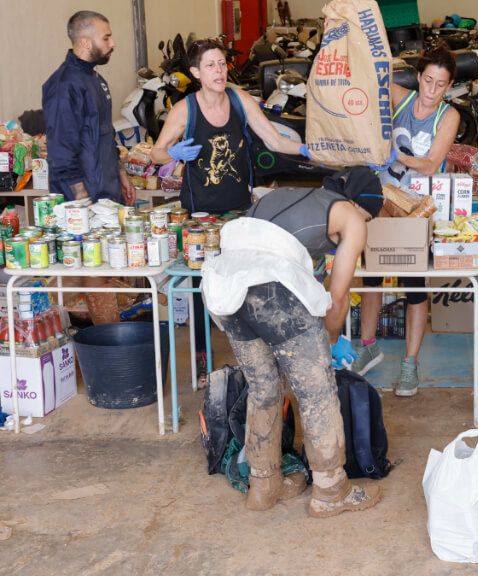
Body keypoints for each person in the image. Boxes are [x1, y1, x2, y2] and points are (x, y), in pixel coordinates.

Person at [200, 166, 385, 517]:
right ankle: (331, 490)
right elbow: (338, 294)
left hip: (224, 288)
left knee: (264, 389)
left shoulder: (291, 195)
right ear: (363, 205)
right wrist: (328, 342)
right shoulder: (352, 218)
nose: (365, 224)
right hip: (270, 291)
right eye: (370, 217)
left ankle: (263, 484)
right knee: (317, 393)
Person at [151, 38, 310, 379]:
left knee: (247, 279)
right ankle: (201, 356)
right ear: (195, 72)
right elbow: (156, 152)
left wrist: (310, 150)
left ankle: (255, 356)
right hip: (198, 213)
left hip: (239, 209)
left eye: (222, 64)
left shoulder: (239, 100)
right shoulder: (185, 110)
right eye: (210, 65)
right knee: (199, 284)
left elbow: (274, 140)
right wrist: (174, 154)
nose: (219, 71)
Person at [351, 43, 460, 397]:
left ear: (449, 86)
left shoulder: (449, 116)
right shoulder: (401, 100)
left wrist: (394, 155)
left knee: (415, 284)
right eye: (427, 80)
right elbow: (370, 83)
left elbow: (430, 163)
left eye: (440, 84)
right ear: (418, 77)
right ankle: (368, 345)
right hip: (381, 202)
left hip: (418, 210)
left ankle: (410, 365)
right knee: (372, 276)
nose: (431, 91)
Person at [43, 10, 136, 325]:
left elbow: (105, 133)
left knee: (107, 273)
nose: (113, 43)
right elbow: (61, 151)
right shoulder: (63, 85)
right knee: (91, 276)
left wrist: (122, 174)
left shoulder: (96, 78)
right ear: (85, 41)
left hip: (107, 193)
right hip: (84, 201)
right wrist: (82, 202)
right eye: (106, 37)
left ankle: (105, 339)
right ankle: (105, 343)